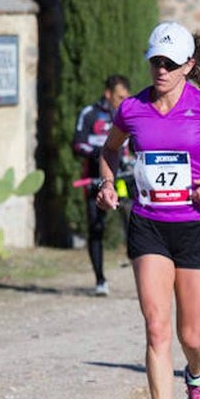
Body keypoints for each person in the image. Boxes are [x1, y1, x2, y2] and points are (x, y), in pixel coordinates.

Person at [96, 21, 200, 399]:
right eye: (155, 61)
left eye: (170, 63)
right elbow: (109, 150)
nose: (160, 70)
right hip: (149, 224)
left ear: (188, 66)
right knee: (157, 328)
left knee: (190, 334)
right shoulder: (132, 109)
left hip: (196, 227)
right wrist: (108, 184)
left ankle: (196, 377)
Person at [72, 74, 131, 296]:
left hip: (122, 179)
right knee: (96, 228)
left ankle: (137, 260)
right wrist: (99, 152)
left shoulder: (125, 113)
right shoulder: (89, 113)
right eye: (118, 97)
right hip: (94, 179)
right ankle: (100, 280)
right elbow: (77, 144)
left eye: (125, 97)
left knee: (132, 218)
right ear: (108, 94)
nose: (121, 101)